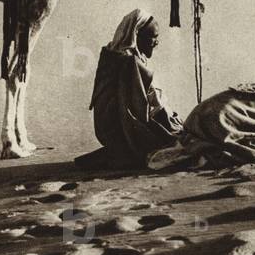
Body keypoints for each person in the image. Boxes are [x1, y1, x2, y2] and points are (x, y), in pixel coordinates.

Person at [74, 9, 184, 170]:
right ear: (136, 35)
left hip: (111, 128)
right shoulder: (129, 62)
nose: (156, 42)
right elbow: (146, 106)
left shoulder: (114, 54)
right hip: (120, 129)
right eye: (153, 37)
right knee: (178, 144)